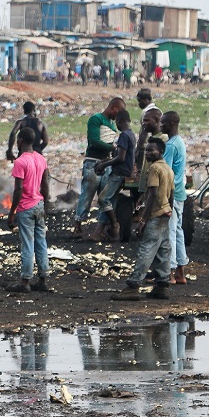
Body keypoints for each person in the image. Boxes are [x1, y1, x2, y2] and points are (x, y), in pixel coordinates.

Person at [111, 138, 174, 300]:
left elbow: (153, 194)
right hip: (165, 213)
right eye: (146, 150)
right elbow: (170, 193)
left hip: (155, 214)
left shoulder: (153, 168)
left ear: (160, 152)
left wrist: (142, 221)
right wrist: (169, 209)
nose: (147, 153)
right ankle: (162, 286)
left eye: (151, 150)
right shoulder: (167, 168)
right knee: (163, 250)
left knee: (146, 249)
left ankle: (133, 286)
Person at [6, 128, 51, 293]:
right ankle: (43, 279)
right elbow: (45, 185)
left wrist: (11, 213)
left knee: (27, 244)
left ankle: (25, 281)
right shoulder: (41, 159)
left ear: (20, 141)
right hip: (39, 204)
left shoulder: (20, 162)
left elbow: (18, 190)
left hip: (26, 207)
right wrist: (45, 205)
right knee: (41, 242)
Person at [73, 98, 125, 237]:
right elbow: (94, 141)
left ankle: (100, 229)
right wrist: (113, 148)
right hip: (93, 161)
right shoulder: (96, 119)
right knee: (87, 194)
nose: (118, 116)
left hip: (106, 163)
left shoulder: (112, 124)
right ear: (113, 107)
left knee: (104, 196)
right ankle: (78, 224)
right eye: (118, 112)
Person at [94, 110, 136, 241]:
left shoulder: (124, 135)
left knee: (103, 199)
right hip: (125, 171)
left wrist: (104, 165)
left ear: (119, 121)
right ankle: (109, 228)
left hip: (119, 172)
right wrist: (104, 162)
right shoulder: (131, 134)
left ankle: (114, 224)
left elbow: (121, 158)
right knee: (111, 199)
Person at [160, 111, 189, 284]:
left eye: (163, 123)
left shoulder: (170, 145)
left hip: (171, 193)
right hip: (180, 193)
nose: (160, 125)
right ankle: (181, 271)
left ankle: (169, 272)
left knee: (169, 231)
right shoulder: (179, 142)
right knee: (178, 231)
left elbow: (166, 173)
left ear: (171, 123)